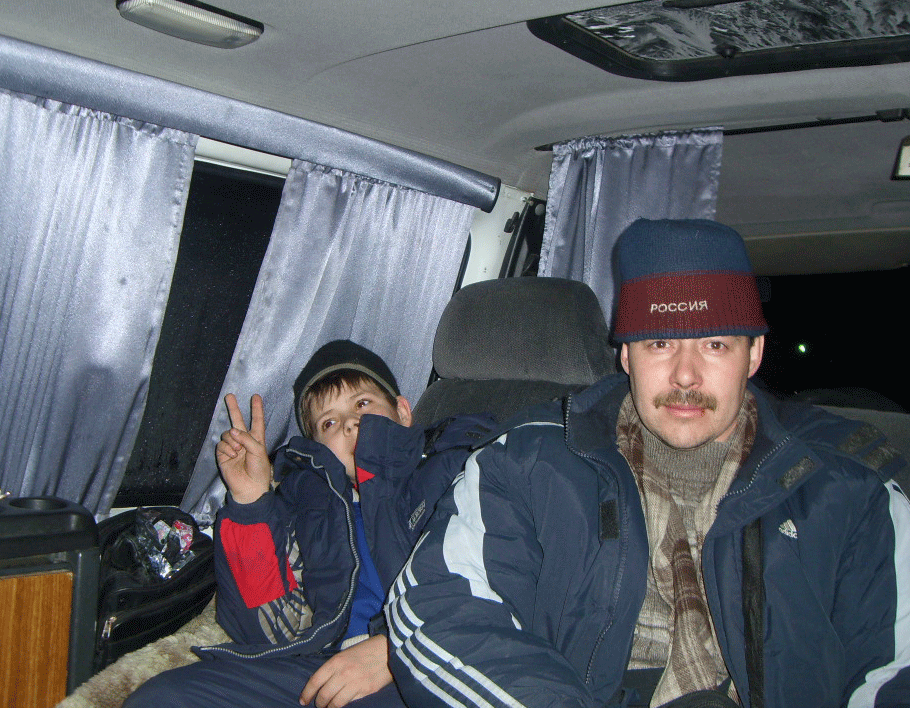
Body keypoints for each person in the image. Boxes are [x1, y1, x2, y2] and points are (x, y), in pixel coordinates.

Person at [385, 219, 910, 708]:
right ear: (626, 355)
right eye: (659, 343)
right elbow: (443, 606)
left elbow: (896, 667)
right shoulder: (528, 461)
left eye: (715, 344)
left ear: (752, 355)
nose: (685, 375)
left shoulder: (851, 485)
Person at [124, 339, 494, 708]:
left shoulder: (454, 466)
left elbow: (492, 578)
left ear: (402, 412)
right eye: (328, 422)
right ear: (317, 447)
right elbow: (270, 629)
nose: (349, 424)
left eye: (363, 404)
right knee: (162, 698)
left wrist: (397, 648)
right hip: (323, 666)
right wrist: (251, 502)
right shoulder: (308, 506)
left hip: (428, 661)